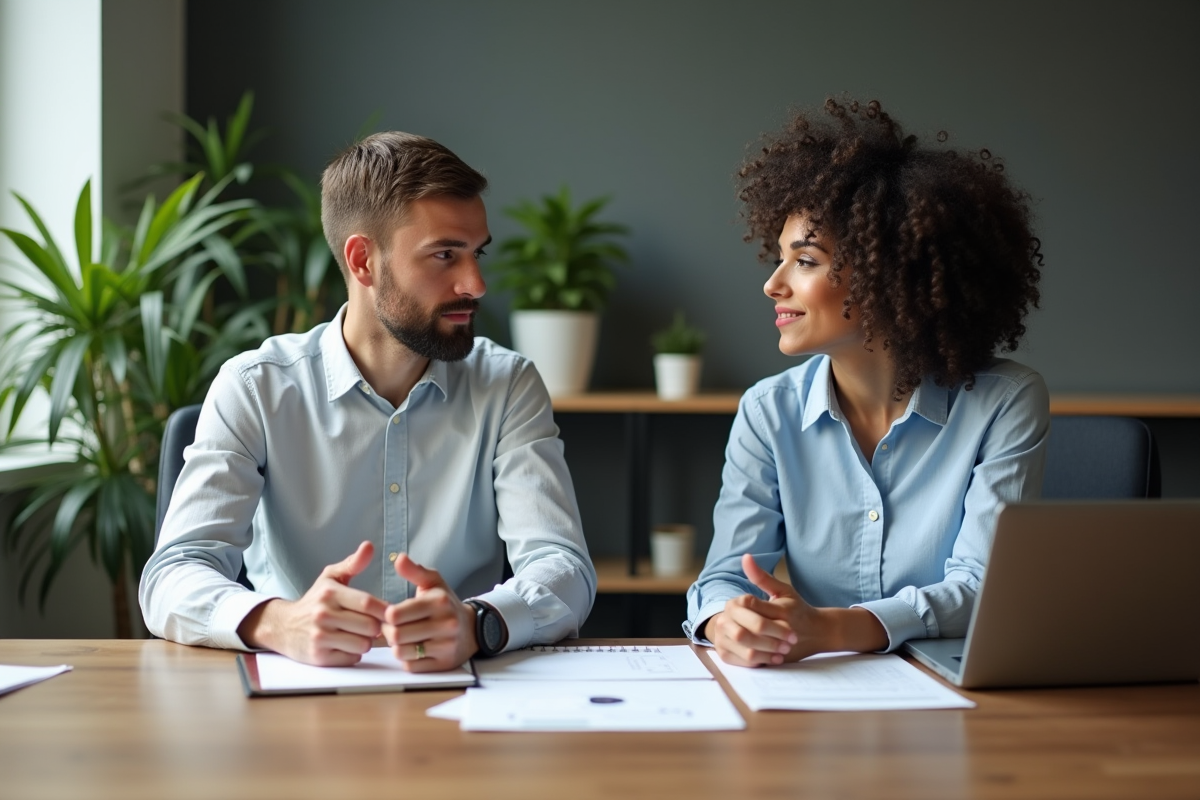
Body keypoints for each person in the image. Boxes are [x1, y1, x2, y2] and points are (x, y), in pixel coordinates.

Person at [140, 132, 596, 669]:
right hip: (299, 689)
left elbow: (562, 565)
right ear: (363, 261)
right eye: (445, 255)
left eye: (476, 254)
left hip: (467, 689)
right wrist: (280, 622)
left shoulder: (508, 385)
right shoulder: (256, 388)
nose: (475, 283)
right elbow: (173, 574)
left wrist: (480, 623)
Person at [686, 98, 1048, 667]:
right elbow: (724, 578)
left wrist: (833, 629)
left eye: (805, 261)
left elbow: (981, 586)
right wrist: (727, 620)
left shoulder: (1005, 402)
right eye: (779, 258)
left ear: (889, 274)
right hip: (817, 687)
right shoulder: (768, 411)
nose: (773, 284)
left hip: (958, 693)